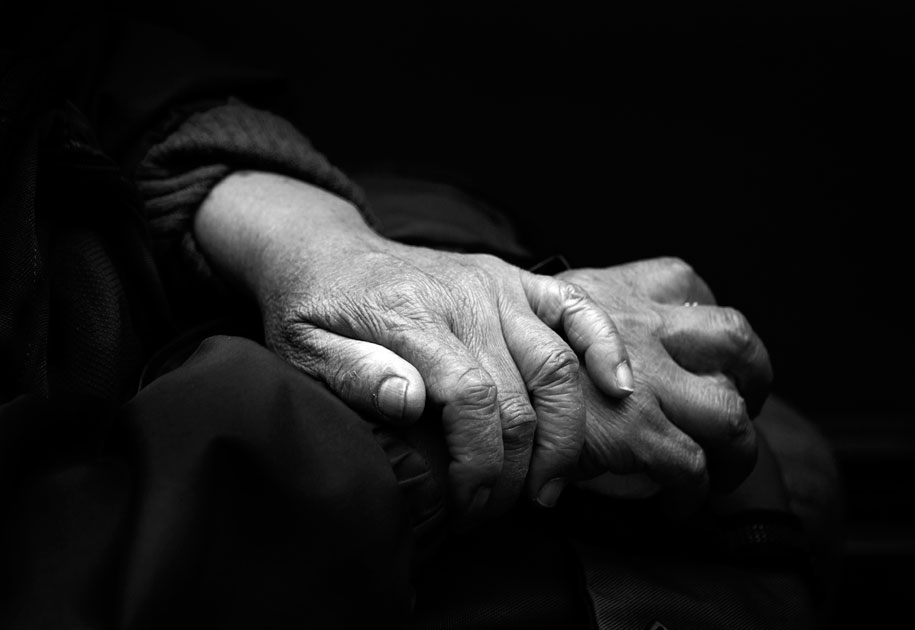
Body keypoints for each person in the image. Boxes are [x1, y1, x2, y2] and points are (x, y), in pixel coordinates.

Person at [1, 3, 840, 628]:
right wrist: (432, 416)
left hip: (195, 372)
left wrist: (315, 239)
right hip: (193, 516)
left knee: (746, 438)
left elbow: (83, 65)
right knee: (756, 470)